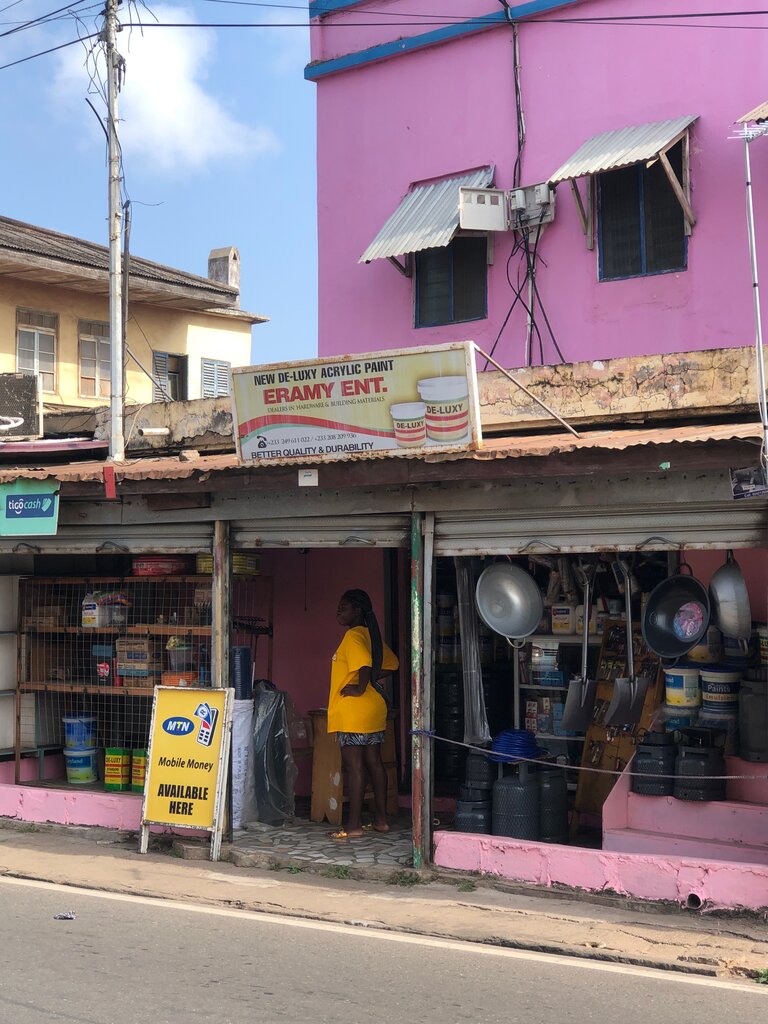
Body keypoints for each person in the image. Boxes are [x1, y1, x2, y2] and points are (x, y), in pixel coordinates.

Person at [327, 588, 399, 840]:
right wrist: (368, 684)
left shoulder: (353, 636)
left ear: (357, 611)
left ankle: (354, 824)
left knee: (354, 766)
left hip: (354, 711)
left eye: (344, 607)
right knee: (374, 763)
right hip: (374, 709)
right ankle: (381, 821)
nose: (339, 610)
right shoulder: (372, 636)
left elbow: (364, 665)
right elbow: (392, 664)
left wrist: (359, 686)